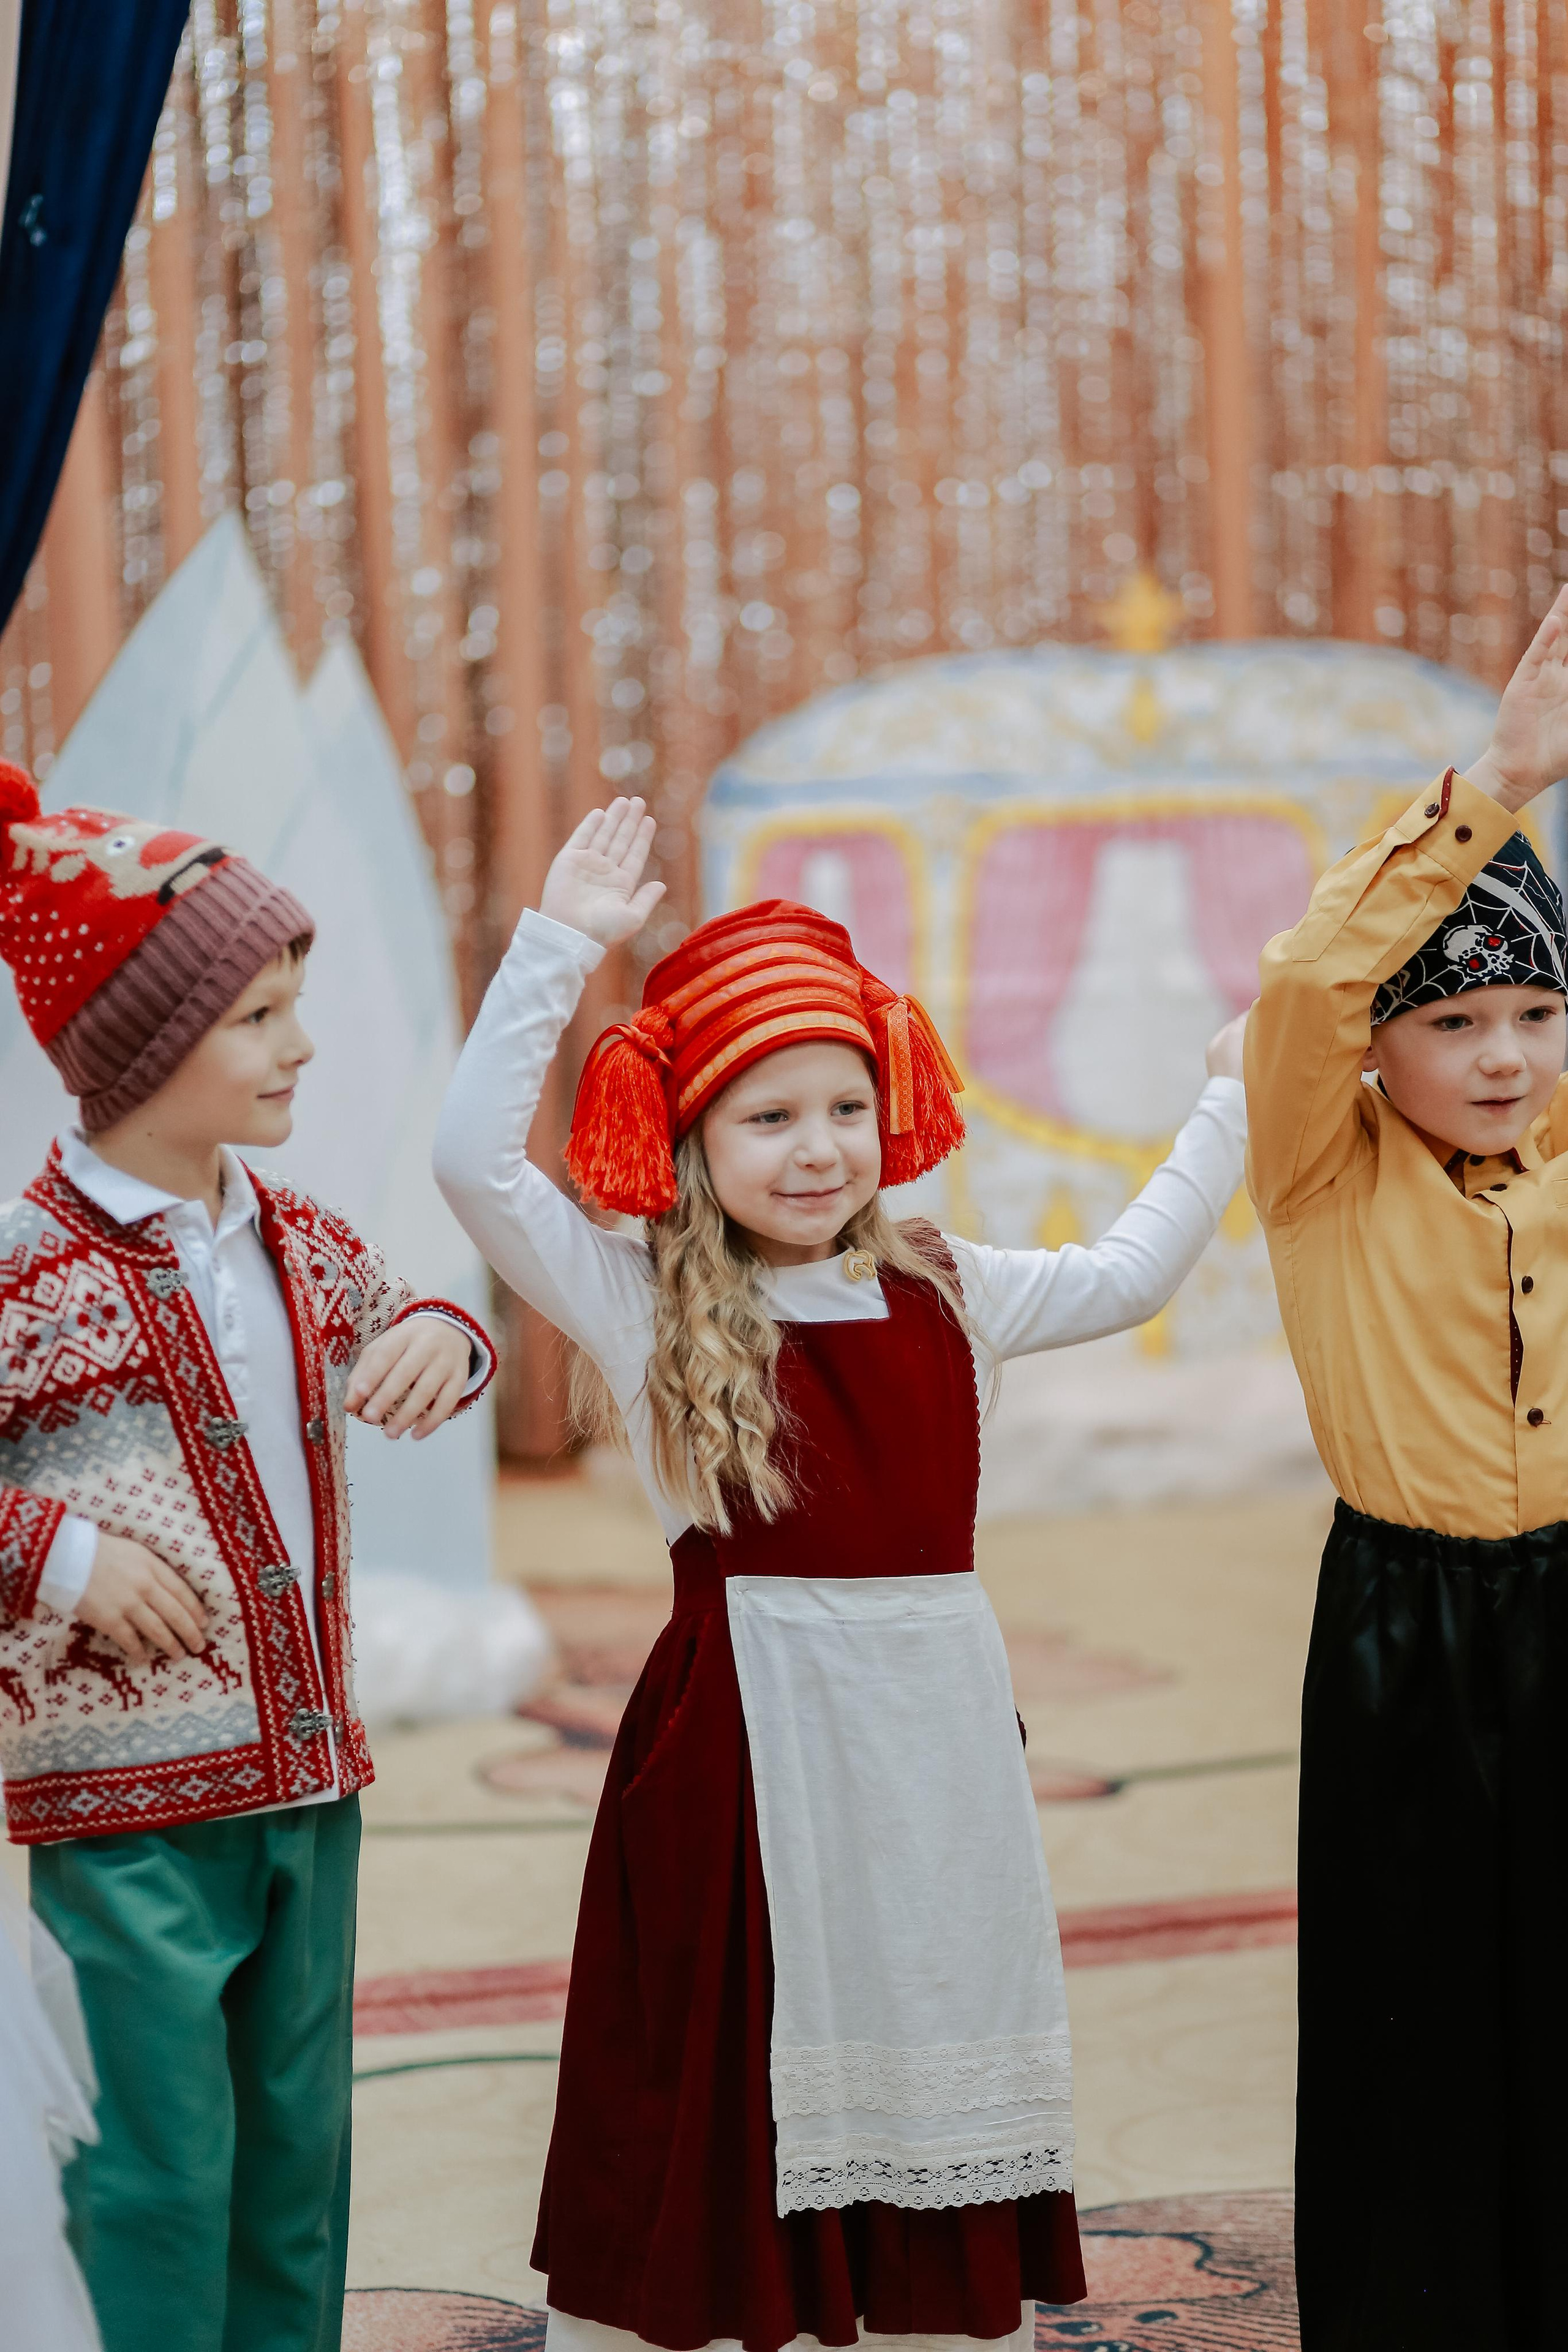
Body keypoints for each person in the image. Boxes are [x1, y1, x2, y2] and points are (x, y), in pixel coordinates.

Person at [433, 794, 1249, 2352]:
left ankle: (910, 2286)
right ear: (689, 1141)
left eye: (840, 1108)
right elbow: (472, 1164)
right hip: (744, 1740)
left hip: (932, 1732)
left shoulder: (942, 1285)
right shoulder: (638, 1302)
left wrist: (1221, 1103)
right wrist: (554, 946)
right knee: (738, 2029)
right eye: (765, 1116)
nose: (815, 1151)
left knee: (924, 2000)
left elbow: (1134, 1269)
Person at [0, 761, 495, 2352]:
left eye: (297, 1007)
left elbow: (412, 1305)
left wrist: (441, 1333)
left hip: (305, 1785)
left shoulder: (294, 1235)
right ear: (143, 1048)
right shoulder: (23, 1272)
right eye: (260, 1018)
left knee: (297, 2160)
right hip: (128, 1808)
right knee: (159, 2167)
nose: (302, 1047)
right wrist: (58, 1557)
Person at [1245, 584, 1568, 2352]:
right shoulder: (1321, 1165)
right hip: (1405, 1620)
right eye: (1455, 1023)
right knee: (1412, 2003)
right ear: (1383, 1050)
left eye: (1534, 1013)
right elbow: (1308, 979)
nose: (1503, 1054)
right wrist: (1499, 787)